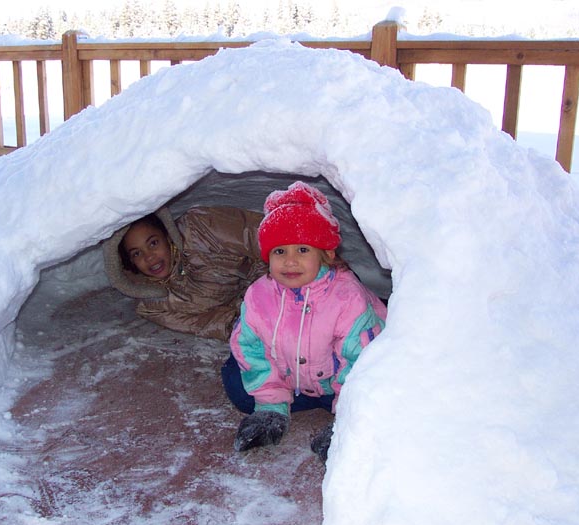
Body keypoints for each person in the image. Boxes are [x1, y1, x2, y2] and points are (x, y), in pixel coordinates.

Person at [226, 181, 387, 461]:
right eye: (279, 251)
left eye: (302, 250)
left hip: (337, 381)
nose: (289, 262)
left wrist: (347, 417)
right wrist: (270, 404)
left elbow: (359, 361)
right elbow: (250, 348)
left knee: (382, 389)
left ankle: (347, 417)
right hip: (294, 379)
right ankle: (277, 406)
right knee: (235, 381)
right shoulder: (259, 296)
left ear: (325, 254)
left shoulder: (346, 299)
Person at [103, 205, 268, 341]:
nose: (149, 256)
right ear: (130, 261)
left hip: (280, 274)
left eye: (153, 243)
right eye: (137, 253)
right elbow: (200, 322)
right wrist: (239, 325)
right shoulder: (151, 303)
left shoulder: (198, 229)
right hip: (261, 311)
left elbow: (256, 234)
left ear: (167, 235)